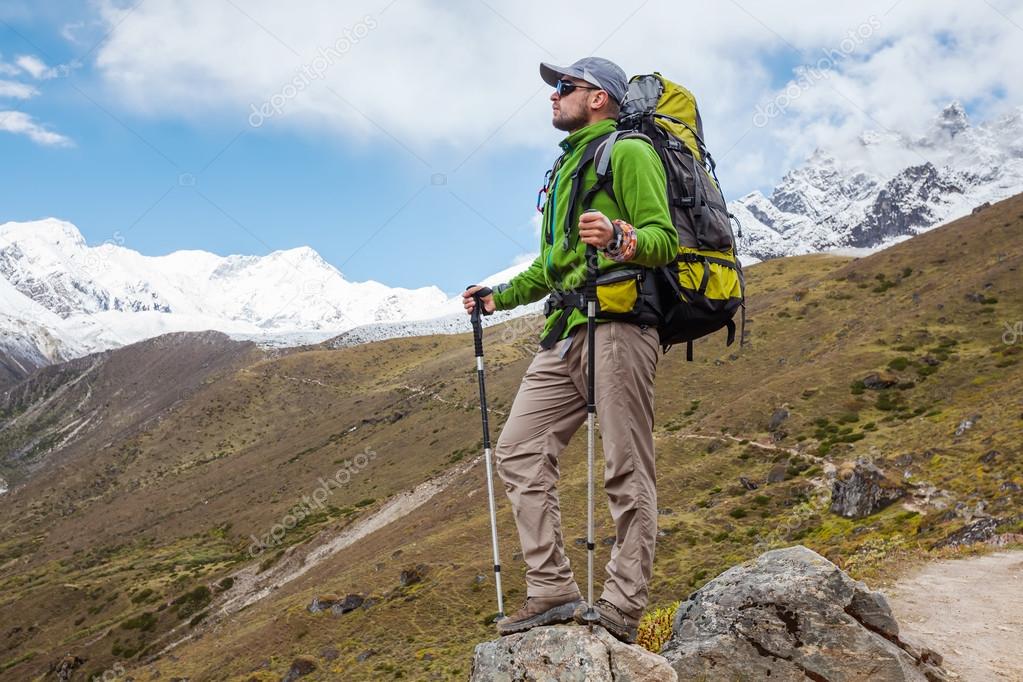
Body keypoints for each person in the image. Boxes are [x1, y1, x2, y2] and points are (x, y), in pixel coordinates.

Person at [463, 57, 677, 643]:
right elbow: (551, 266)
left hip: (620, 325)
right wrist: (498, 297)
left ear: (599, 98)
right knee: (518, 450)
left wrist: (620, 237)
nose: (553, 97)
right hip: (565, 330)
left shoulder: (629, 153)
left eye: (565, 87)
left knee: (625, 467)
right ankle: (552, 589)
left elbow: (664, 240)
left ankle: (621, 607)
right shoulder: (564, 169)